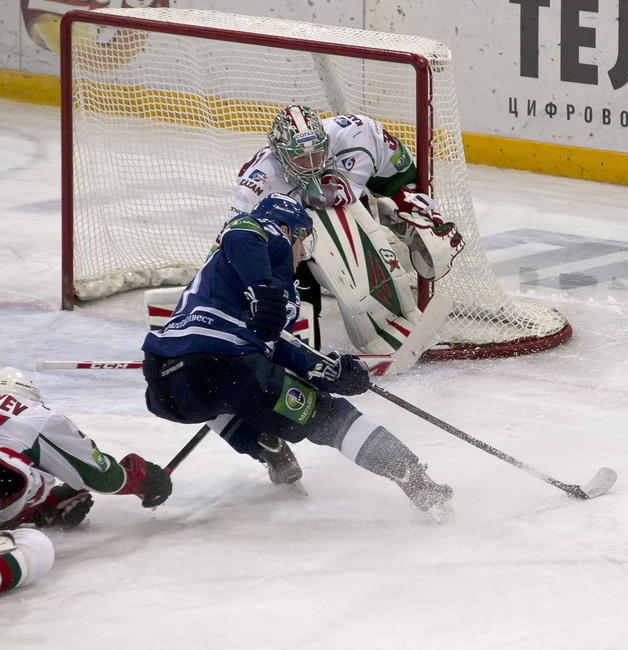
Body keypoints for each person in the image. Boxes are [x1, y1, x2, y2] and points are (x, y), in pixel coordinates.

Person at [142, 193, 453, 523]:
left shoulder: (239, 284)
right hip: (227, 368)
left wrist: (327, 370)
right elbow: (241, 232)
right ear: (288, 230)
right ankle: (418, 483)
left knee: (230, 394)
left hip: (164, 387)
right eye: (302, 238)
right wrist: (261, 287)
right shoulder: (261, 235)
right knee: (329, 415)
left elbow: (275, 347)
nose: (303, 252)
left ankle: (267, 448)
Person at [0, 367, 172, 612]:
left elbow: (3, 501)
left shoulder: (12, 450)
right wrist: (140, 479)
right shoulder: (36, 414)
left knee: (37, 545)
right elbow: (103, 477)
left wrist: (46, 508)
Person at [231, 104, 464, 353]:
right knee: (292, 282)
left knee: (424, 245)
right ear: (280, 153)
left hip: (355, 218)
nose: (311, 164)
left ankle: (395, 300)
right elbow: (232, 243)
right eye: (300, 158)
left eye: (317, 154)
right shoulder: (258, 183)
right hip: (292, 239)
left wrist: (422, 214)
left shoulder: (359, 134)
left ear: (326, 142)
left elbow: (400, 174)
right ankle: (301, 349)